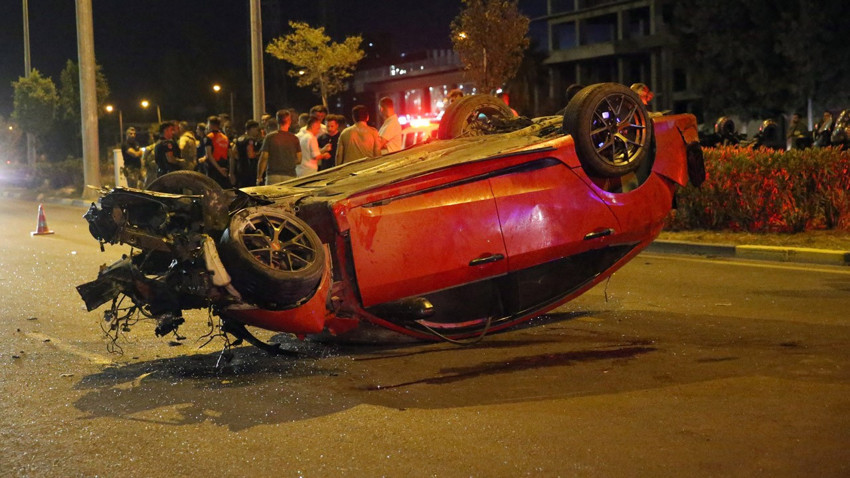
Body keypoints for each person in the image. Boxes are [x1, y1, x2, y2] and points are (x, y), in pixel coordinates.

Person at [257, 109, 301, 185]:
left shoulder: (270, 137)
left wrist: (259, 177)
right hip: (290, 176)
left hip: (273, 175)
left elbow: (264, 157)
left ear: (277, 121)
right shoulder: (294, 139)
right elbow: (299, 159)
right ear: (289, 121)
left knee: (272, 196)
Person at [202, 116, 233, 188]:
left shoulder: (209, 137)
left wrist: (219, 169)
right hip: (225, 167)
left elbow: (209, 155)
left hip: (213, 169)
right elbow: (231, 155)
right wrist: (231, 172)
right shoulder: (225, 138)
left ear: (211, 125)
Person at [232, 119, 262, 188]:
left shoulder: (239, 138)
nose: (257, 132)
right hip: (249, 169)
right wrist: (259, 154)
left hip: (240, 168)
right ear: (251, 129)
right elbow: (250, 154)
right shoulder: (250, 140)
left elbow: (233, 152)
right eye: (256, 130)